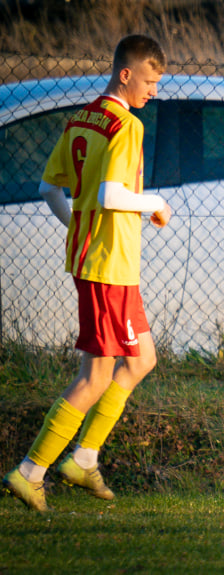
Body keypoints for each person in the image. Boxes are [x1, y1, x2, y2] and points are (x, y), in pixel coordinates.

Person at [3, 34, 171, 512]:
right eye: (150, 81)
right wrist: (154, 203)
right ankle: (30, 472)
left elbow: (47, 189)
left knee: (141, 361)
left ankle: (84, 456)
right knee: (96, 376)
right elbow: (108, 196)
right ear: (126, 74)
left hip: (102, 263)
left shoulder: (81, 119)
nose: (153, 91)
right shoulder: (126, 125)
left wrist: (81, 227)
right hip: (108, 268)